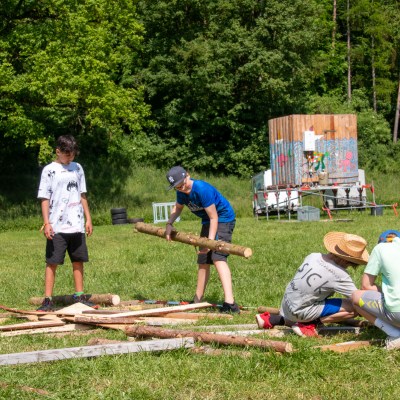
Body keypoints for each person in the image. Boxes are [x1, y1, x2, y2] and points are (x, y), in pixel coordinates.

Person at [256, 232, 369, 337]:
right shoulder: (339, 274)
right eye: (350, 264)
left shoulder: (314, 256)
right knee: (354, 308)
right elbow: (359, 299)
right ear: (345, 261)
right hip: (298, 311)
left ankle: (273, 319)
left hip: (286, 305)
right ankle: (308, 324)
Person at [164, 166, 239, 313]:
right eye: (177, 187)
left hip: (223, 219)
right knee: (203, 260)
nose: (181, 188)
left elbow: (214, 217)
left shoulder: (201, 189)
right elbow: (178, 208)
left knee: (218, 257)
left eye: (182, 184)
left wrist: (209, 243)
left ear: (187, 176)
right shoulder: (181, 192)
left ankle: (230, 303)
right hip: (207, 221)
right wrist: (169, 224)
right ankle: (197, 300)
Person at [37, 135, 95, 311]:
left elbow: (82, 194)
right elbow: (44, 198)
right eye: (67, 154)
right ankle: (48, 300)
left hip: (76, 224)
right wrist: (47, 223)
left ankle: (79, 296)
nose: (70, 158)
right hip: (57, 225)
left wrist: (88, 218)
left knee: (78, 260)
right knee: (52, 262)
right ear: (58, 151)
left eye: (73, 154)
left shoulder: (78, 168)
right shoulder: (49, 170)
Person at [352, 230, 400, 350]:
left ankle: (394, 334)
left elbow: (366, 286)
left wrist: (387, 291)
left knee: (355, 297)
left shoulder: (380, 249)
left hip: (397, 313)